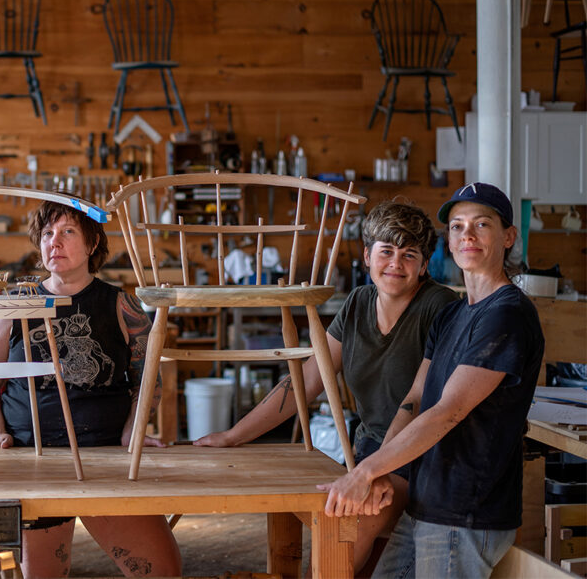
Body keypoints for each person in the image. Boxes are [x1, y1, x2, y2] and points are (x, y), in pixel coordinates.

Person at [194, 200, 457, 571]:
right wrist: (235, 434)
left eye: (409, 254)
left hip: (422, 457)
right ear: (367, 256)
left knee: (346, 521)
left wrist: (375, 472)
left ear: (425, 264)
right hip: (367, 450)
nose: (396, 264)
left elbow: (415, 403)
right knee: (304, 501)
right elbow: (304, 382)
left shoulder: (440, 306)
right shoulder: (357, 303)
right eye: (386, 251)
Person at [320, 183, 544, 579]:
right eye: (457, 227)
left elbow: (446, 412)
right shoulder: (454, 315)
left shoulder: (507, 314)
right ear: (449, 241)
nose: (467, 235)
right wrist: (382, 471)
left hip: (466, 513)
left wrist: (365, 472)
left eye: (482, 224)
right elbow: (417, 397)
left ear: (508, 236)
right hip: (427, 505)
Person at [0, 201, 182, 578]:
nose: (55, 242)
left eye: (68, 232)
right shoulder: (15, 305)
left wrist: (133, 430)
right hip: (32, 455)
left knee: (161, 570)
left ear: (91, 244)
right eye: (48, 234)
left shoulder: (121, 304)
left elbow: (147, 377)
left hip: (103, 455)